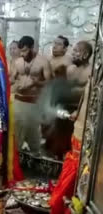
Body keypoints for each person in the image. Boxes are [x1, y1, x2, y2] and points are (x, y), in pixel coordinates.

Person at [50, 79, 90, 214]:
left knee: (73, 186)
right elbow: (86, 99)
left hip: (87, 139)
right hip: (78, 134)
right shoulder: (96, 73)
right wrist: (77, 114)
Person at [12, 36, 52, 155]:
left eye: (25, 50)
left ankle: (35, 156)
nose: (23, 54)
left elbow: (49, 82)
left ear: (32, 47)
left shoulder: (43, 61)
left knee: (33, 132)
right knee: (16, 132)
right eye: (21, 51)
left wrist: (36, 83)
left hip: (34, 102)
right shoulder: (18, 62)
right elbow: (12, 78)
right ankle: (16, 161)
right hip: (18, 101)